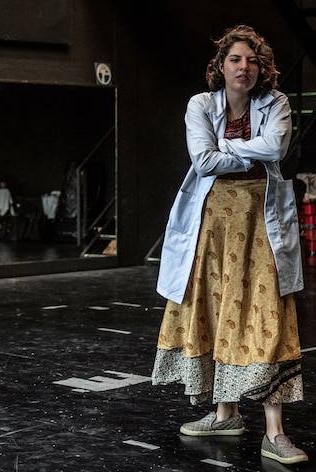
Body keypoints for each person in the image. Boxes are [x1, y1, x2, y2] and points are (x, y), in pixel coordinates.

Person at [152, 25, 308, 465]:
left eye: (252, 60)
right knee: (220, 311)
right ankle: (225, 414)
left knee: (265, 313)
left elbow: (276, 146)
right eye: (236, 59)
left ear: (262, 68)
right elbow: (202, 159)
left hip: (262, 224)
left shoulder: (274, 102)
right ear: (220, 67)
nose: (244, 67)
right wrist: (249, 150)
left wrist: (229, 148)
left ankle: (275, 433)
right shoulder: (200, 104)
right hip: (213, 227)